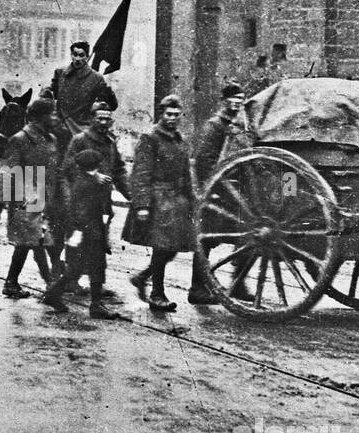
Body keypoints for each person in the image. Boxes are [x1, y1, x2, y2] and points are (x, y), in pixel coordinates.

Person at [123, 94, 196, 312]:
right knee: (162, 247)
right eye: (168, 114)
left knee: (172, 248)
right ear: (161, 114)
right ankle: (157, 294)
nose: (173, 118)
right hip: (158, 200)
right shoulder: (150, 138)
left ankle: (142, 277)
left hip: (176, 201)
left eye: (176, 114)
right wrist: (142, 205)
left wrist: (192, 200)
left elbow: (186, 172)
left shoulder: (179, 139)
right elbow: (141, 173)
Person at [55, 101, 129, 299]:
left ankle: (96, 284)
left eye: (107, 119)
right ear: (91, 119)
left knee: (99, 245)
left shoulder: (110, 143)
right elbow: (67, 168)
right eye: (100, 118)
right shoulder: (79, 140)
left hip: (102, 205)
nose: (104, 123)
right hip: (80, 204)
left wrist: (132, 196)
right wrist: (91, 175)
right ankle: (71, 282)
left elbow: (119, 171)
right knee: (76, 244)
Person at [188, 83, 253, 304]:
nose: (237, 102)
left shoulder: (242, 124)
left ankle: (238, 285)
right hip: (218, 192)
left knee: (247, 238)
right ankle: (197, 288)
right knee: (207, 239)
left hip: (237, 193)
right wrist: (210, 190)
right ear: (223, 101)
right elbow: (204, 160)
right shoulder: (215, 126)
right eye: (233, 98)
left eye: (240, 98)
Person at [40, 149, 120, 319]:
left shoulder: (82, 180)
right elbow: (82, 211)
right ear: (97, 165)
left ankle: (53, 295)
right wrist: (80, 231)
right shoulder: (90, 183)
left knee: (76, 268)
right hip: (88, 231)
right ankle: (96, 306)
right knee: (95, 266)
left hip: (83, 230)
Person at [1, 98, 59, 298]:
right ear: (40, 117)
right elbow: (12, 171)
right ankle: (51, 283)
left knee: (30, 242)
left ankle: (12, 283)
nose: (55, 117)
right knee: (36, 241)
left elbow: (54, 170)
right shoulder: (20, 139)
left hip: (47, 197)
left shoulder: (52, 139)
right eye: (52, 114)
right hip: (27, 198)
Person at [45, 41, 118, 140]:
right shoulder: (60, 73)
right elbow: (52, 93)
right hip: (60, 124)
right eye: (75, 55)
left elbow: (112, 105)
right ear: (71, 55)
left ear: (87, 56)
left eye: (81, 55)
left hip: (81, 125)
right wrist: (46, 92)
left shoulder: (96, 78)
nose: (77, 59)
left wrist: (108, 92)